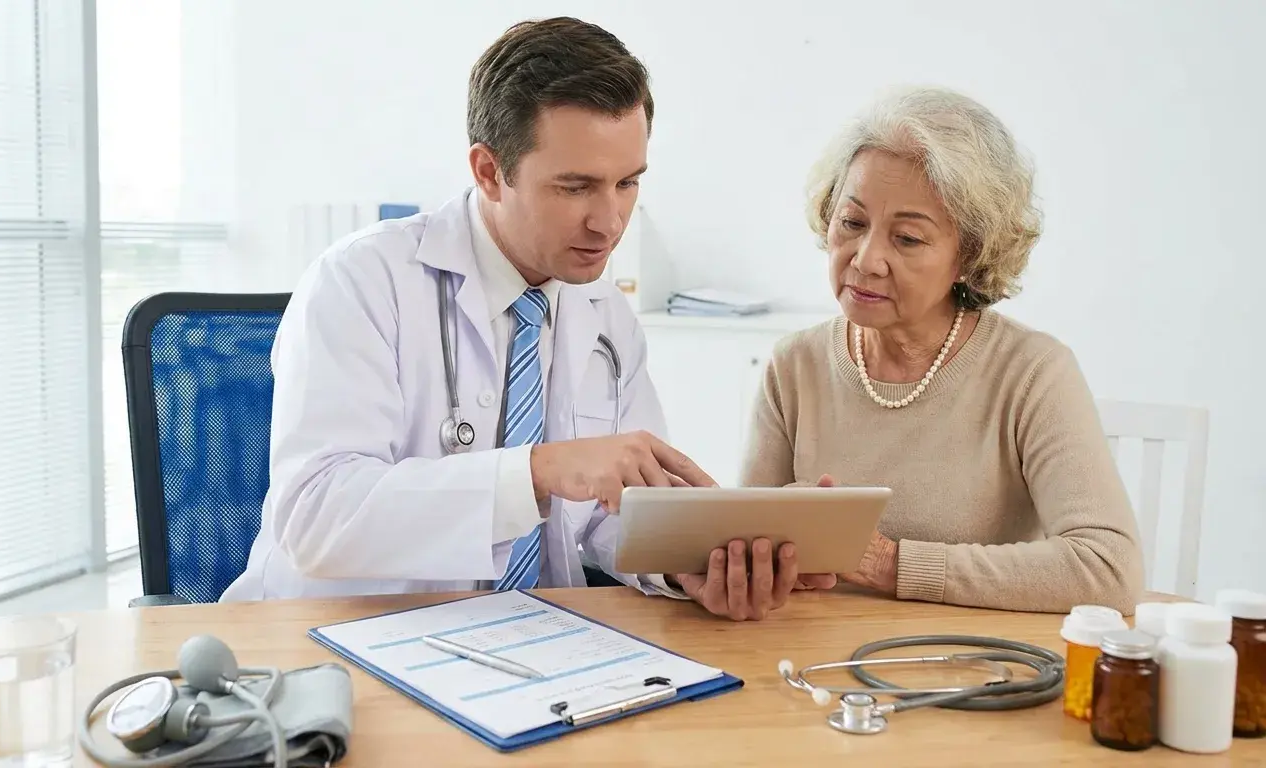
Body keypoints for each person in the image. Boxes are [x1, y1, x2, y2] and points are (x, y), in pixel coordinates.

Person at [222, 17, 824, 621]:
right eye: (575, 187)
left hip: (535, 644)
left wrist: (683, 565)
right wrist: (538, 471)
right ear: (488, 171)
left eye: (627, 183)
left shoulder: (607, 317)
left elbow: (614, 517)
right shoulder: (361, 281)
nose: (610, 222)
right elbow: (317, 517)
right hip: (338, 640)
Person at [740, 85, 1144, 614]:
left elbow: (1108, 567)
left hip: (977, 666)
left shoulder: (1032, 373)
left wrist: (889, 564)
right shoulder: (794, 365)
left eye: (907, 238)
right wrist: (751, 551)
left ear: (969, 256)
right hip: (818, 665)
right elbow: (744, 554)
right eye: (852, 222)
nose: (864, 260)